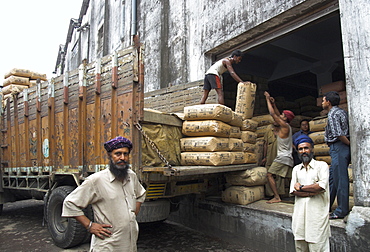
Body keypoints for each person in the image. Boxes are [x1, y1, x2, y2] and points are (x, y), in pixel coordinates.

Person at [62, 136, 146, 251]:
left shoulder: (131, 176)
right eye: (118, 154)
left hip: (129, 243)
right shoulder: (96, 180)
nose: (123, 158)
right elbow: (70, 203)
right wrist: (89, 225)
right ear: (109, 156)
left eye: (126, 154)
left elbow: (140, 194)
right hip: (108, 244)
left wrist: (131, 215)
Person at [290, 135, 330, 252]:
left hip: (317, 217)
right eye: (300, 149)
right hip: (300, 217)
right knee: (300, 247)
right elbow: (294, 191)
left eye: (306, 148)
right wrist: (312, 191)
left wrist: (301, 187)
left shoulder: (321, 166)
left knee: (317, 247)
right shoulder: (296, 169)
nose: (304, 152)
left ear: (312, 149)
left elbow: (321, 187)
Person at [322, 91, 350, 219]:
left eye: (323, 100)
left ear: (328, 102)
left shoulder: (333, 114)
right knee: (332, 179)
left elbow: (338, 134)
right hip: (338, 147)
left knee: (341, 180)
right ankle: (325, 207)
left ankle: (341, 210)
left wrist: (348, 145)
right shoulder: (341, 112)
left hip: (339, 147)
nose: (322, 103)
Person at [264, 91, 295, 203]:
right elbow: (276, 113)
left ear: (285, 118)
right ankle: (300, 193)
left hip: (282, 157)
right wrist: (274, 104)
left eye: (282, 115)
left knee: (269, 175)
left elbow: (273, 114)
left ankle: (277, 197)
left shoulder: (285, 127)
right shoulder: (287, 126)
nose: (280, 115)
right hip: (287, 157)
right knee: (291, 177)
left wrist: (267, 99)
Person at [262, 123, 285, 197]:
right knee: (268, 173)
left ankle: (279, 193)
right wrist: (264, 157)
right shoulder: (269, 130)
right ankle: (271, 193)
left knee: (280, 175)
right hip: (270, 156)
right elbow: (265, 144)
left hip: (280, 156)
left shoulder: (284, 130)